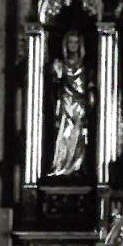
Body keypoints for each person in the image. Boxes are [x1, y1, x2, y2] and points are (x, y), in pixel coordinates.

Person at [48, 32, 92, 178]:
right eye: (70, 42)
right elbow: (54, 85)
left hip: (79, 104)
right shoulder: (61, 64)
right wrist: (58, 76)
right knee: (64, 133)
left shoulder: (84, 66)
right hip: (66, 102)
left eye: (76, 42)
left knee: (78, 135)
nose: (73, 45)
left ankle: (77, 166)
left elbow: (89, 86)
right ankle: (62, 165)